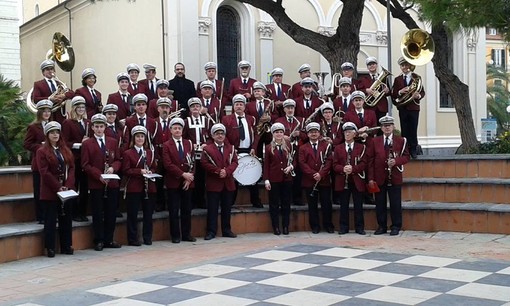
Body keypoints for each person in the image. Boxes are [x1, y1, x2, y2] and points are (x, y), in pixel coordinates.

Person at [81, 114, 122, 251]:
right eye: (96, 126)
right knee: (97, 212)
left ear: (105, 127)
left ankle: (109, 239)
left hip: (111, 182)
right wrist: (98, 175)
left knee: (111, 212)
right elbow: (85, 164)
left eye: (101, 126)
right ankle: (98, 240)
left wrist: (112, 168)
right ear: (92, 128)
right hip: (96, 183)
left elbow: (118, 160)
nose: (99, 129)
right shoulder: (87, 144)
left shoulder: (113, 141)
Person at [36, 121, 75, 257]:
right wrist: (58, 187)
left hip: (66, 191)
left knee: (66, 219)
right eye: (52, 132)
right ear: (47, 135)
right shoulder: (42, 151)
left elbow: (71, 168)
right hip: (50, 192)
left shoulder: (65, 150)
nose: (55, 135)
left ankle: (66, 245)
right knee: (51, 220)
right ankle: (50, 247)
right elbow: (44, 172)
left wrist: (67, 185)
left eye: (57, 132)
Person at [368, 115, 410, 236]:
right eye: (384, 126)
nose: (387, 128)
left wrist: (396, 161)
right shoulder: (375, 141)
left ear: (393, 127)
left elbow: (406, 157)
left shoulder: (401, 140)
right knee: (380, 203)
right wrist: (371, 178)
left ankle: (396, 226)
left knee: (395, 203)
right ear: (381, 128)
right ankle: (381, 226)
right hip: (379, 176)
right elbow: (370, 160)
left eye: (389, 126)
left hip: (395, 176)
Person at [221, 94, 262, 208]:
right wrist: (231, 151)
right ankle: (230, 202)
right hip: (235, 152)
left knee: (252, 176)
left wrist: (254, 147)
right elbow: (224, 137)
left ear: (244, 106)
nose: (239, 106)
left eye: (241, 104)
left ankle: (256, 201)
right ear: (233, 106)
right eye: (236, 104)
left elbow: (257, 135)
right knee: (233, 178)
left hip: (249, 151)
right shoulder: (226, 119)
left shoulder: (251, 119)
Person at [201, 123, 238, 240]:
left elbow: (235, 162)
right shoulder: (207, 149)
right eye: (217, 134)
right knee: (212, 209)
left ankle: (226, 230)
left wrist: (226, 171)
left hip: (227, 182)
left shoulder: (231, 148)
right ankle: (211, 231)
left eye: (222, 133)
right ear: (213, 136)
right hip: (214, 183)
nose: (220, 136)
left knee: (227, 208)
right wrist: (218, 171)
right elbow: (204, 163)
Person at [162, 117, 196, 243]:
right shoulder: (166, 145)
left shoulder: (189, 143)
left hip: (187, 183)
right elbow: (168, 164)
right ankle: (175, 235)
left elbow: (193, 162)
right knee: (174, 210)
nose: (177, 130)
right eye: (175, 128)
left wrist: (189, 177)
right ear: (170, 130)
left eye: (179, 128)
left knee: (187, 210)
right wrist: (183, 174)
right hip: (173, 182)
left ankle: (187, 234)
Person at [122, 126, 157, 246]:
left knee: (148, 213)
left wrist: (150, 171)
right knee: (132, 214)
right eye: (138, 136)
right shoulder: (128, 153)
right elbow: (126, 170)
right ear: (134, 138)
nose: (140, 138)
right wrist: (140, 171)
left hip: (148, 186)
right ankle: (132, 239)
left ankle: (147, 237)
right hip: (134, 186)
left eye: (142, 136)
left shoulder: (150, 152)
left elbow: (154, 166)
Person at [299, 122, 334, 234]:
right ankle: (315, 226)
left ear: (319, 133)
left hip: (324, 180)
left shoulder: (326, 146)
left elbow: (329, 161)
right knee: (312, 205)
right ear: (308, 134)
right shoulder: (303, 148)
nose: (314, 134)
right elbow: (302, 163)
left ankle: (328, 225)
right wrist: (314, 174)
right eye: (311, 132)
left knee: (326, 204)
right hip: (310, 181)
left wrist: (321, 174)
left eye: (316, 132)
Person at [333, 122, 367, 235]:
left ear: (354, 134)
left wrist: (353, 169)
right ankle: (343, 227)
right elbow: (334, 165)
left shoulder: (361, 147)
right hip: (343, 180)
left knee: (358, 205)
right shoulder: (338, 148)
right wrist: (343, 169)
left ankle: (360, 227)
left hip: (356, 179)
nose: (347, 134)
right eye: (345, 132)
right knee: (343, 205)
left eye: (349, 132)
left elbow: (364, 163)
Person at [24, 100, 53, 224]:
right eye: (44, 111)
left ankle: (50, 214)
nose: (46, 113)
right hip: (39, 162)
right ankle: (41, 216)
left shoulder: (53, 125)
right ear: (39, 112)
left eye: (48, 111)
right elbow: (27, 144)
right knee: (39, 190)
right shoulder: (33, 126)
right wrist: (40, 147)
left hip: (52, 162)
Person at [62, 96, 90, 222]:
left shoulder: (88, 122)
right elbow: (63, 142)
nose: (80, 109)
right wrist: (78, 144)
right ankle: (73, 212)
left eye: (83, 107)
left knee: (84, 187)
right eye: (78, 107)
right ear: (74, 108)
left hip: (86, 159)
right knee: (74, 185)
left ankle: (82, 212)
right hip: (74, 158)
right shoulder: (68, 123)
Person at [264, 123, 295, 235]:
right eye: (276, 132)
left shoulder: (288, 146)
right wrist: (266, 180)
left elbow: (294, 160)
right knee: (274, 204)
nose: (279, 134)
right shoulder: (268, 148)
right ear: (273, 134)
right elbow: (266, 165)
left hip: (287, 179)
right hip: (274, 179)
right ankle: (276, 227)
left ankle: (285, 226)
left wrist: (291, 166)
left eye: (281, 132)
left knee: (286, 204)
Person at [392, 56, 425, 159]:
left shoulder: (417, 77)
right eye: (402, 65)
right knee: (404, 129)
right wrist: (400, 91)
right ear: (400, 67)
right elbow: (393, 94)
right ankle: (405, 150)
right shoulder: (397, 79)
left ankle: (413, 150)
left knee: (413, 129)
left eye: (406, 65)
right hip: (403, 108)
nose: (404, 67)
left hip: (414, 107)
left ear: (410, 65)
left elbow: (422, 92)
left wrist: (418, 95)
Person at [184, 97, 213, 209]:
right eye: (193, 106)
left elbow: (211, 136)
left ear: (201, 108)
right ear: (190, 109)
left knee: (202, 177)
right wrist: (191, 144)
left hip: (204, 153)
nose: (195, 108)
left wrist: (207, 144)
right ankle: (192, 201)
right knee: (192, 176)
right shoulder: (186, 121)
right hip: (191, 153)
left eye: (197, 106)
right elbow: (184, 137)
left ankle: (201, 200)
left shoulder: (206, 121)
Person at [359, 56, 390, 122]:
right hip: (369, 107)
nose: (371, 66)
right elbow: (359, 91)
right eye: (369, 65)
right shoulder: (363, 79)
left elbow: (389, 92)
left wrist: (387, 91)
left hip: (381, 107)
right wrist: (366, 90)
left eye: (373, 64)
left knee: (381, 127)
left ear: (376, 65)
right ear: (367, 67)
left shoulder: (384, 78)